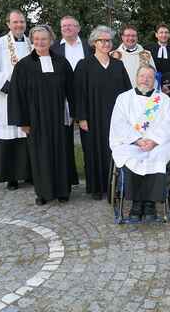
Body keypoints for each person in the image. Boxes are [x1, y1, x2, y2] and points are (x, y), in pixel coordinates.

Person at [8, 25, 75, 205]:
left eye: (44, 39)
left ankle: (63, 191)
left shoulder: (62, 63)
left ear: (51, 40)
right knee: (40, 155)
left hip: (59, 117)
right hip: (36, 119)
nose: (40, 42)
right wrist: (22, 121)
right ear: (32, 40)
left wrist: (75, 114)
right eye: (36, 39)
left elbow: (72, 90)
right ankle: (43, 193)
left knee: (61, 152)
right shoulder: (23, 65)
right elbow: (17, 94)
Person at [109, 65, 170, 223]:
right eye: (142, 76)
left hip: (157, 143)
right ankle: (136, 203)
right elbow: (118, 123)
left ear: (155, 80)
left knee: (158, 157)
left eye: (149, 77)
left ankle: (150, 204)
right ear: (136, 77)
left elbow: (169, 124)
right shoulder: (124, 98)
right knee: (131, 158)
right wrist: (137, 140)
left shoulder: (163, 100)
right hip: (132, 142)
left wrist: (154, 141)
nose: (145, 80)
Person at [74, 25, 132, 200]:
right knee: (93, 151)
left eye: (108, 40)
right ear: (94, 43)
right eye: (102, 41)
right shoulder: (84, 65)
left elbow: (127, 91)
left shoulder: (118, 65)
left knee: (114, 150)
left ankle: (115, 186)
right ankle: (97, 188)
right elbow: (78, 93)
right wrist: (81, 117)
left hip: (115, 118)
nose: (106, 44)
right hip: (93, 117)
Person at [0, 9, 32, 191]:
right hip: (7, 96)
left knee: (26, 133)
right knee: (10, 133)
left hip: (28, 97)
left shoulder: (31, 44)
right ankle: (11, 177)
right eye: (15, 22)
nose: (19, 25)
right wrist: (6, 87)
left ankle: (28, 173)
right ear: (8, 24)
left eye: (22, 22)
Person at [50, 15, 92, 186]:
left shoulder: (89, 46)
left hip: (86, 97)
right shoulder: (53, 48)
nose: (67, 28)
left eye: (71, 25)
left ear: (78, 28)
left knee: (89, 138)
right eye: (64, 26)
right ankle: (67, 176)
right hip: (63, 98)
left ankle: (92, 175)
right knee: (63, 139)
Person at [145, 23, 170, 155]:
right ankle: (153, 147)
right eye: (161, 32)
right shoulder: (148, 50)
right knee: (154, 118)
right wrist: (158, 85)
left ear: (169, 35)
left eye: (166, 32)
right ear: (156, 35)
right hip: (153, 90)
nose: (164, 35)